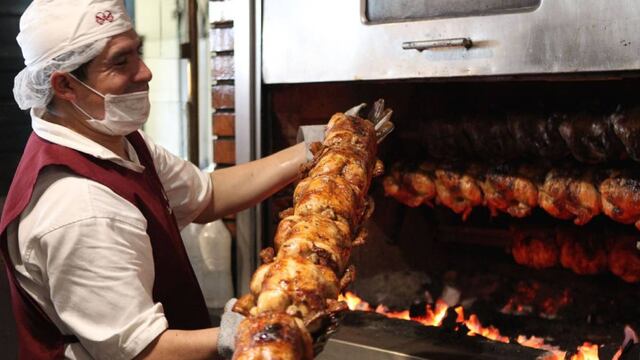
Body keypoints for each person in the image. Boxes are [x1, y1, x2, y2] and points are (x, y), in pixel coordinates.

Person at [0, 0, 313, 359]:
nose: (146, 72)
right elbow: (142, 352)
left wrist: (311, 151)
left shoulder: (115, 141)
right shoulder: (76, 205)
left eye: (139, 52)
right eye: (121, 61)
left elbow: (207, 196)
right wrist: (242, 332)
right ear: (66, 85)